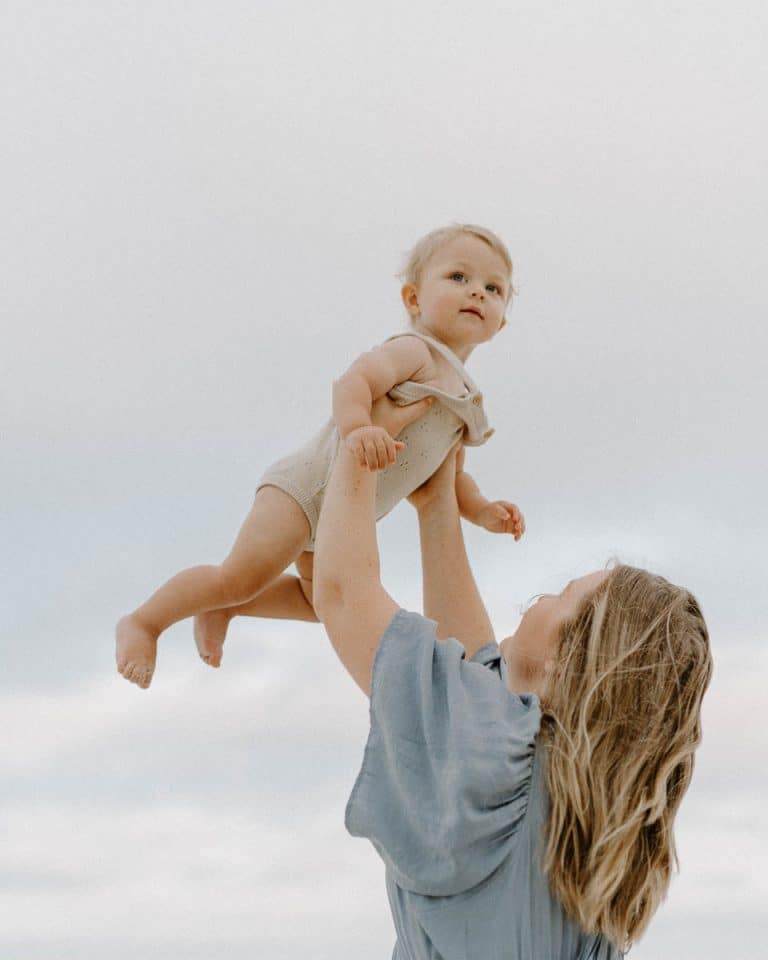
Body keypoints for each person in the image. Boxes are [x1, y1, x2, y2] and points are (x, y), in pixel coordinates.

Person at [312, 436, 713, 958]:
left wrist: (355, 441)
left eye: (563, 594)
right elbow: (475, 676)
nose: (542, 596)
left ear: (568, 661)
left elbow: (342, 593)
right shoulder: (586, 826)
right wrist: (437, 507)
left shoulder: (493, 760)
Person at [116, 224, 525, 688]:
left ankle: (223, 606)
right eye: (458, 277)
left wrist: (484, 511)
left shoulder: (466, 400)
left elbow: (452, 479)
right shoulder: (415, 351)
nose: (477, 292)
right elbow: (354, 382)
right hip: (303, 489)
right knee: (238, 575)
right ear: (414, 299)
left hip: (336, 521)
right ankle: (144, 622)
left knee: (320, 603)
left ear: (500, 323)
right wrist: (359, 427)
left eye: (494, 288)